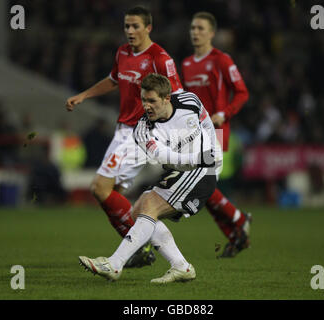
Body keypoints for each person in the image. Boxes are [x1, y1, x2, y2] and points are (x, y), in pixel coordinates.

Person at [65, 6, 183, 267]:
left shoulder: (160, 58)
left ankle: (138, 252)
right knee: (115, 195)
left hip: (141, 132)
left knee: (99, 187)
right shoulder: (122, 53)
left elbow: (177, 97)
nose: (130, 31)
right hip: (123, 130)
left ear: (148, 28)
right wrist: (84, 95)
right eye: (126, 26)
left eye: (135, 26)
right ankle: (142, 252)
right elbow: (112, 79)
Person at [79, 73, 221, 283]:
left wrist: (212, 152)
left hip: (205, 170)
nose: (146, 106)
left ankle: (114, 264)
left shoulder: (189, 102)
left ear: (166, 98)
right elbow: (165, 157)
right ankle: (181, 266)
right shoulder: (143, 130)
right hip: (187, 166)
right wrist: (197, 158)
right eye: (144, 100)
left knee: (151, 207)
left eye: (152, 101)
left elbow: (208, 126)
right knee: (139, 210)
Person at [181, 12, 251, 257]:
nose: (195, 32)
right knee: (205, 190)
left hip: (217, 131)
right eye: (192, 27)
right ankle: (235, 233)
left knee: (204, 185)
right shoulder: (187, 64)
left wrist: (224, 112)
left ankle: (239, 219)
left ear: (212, 33)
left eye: (200, 28)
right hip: (195, 134)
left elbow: (242, 92)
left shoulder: (222, 60)